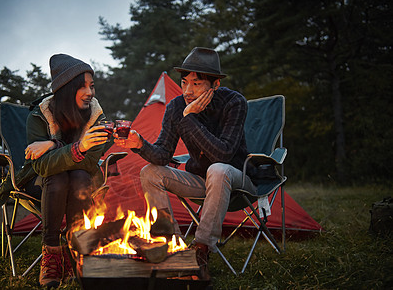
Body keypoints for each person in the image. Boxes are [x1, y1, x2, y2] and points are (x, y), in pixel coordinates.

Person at [114, 47, 256, 280]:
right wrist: (139, 143)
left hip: (237, 180)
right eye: (184, 83)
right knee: (150, 172)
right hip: (200, 180)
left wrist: (188, 118)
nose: (188, 91)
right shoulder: (176, 106)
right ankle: (170, 246)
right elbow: (162, 155)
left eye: (197, 84)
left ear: (215, 84)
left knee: (218, 169)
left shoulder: (234, 102)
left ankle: (201, 250)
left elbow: (224, 154)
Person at [18, 54, 109, 287]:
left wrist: (53, 145)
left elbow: (89, 164)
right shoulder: (39, 115)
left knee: (78, 175)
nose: (91, 92)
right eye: (83, 87)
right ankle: (51, 252)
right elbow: (41, 166)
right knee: (57, 176)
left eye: (92, 86)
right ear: (67, 89)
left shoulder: (96, 117)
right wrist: (75, 148)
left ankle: (74, 249)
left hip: (81, 182)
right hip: (42, 184)